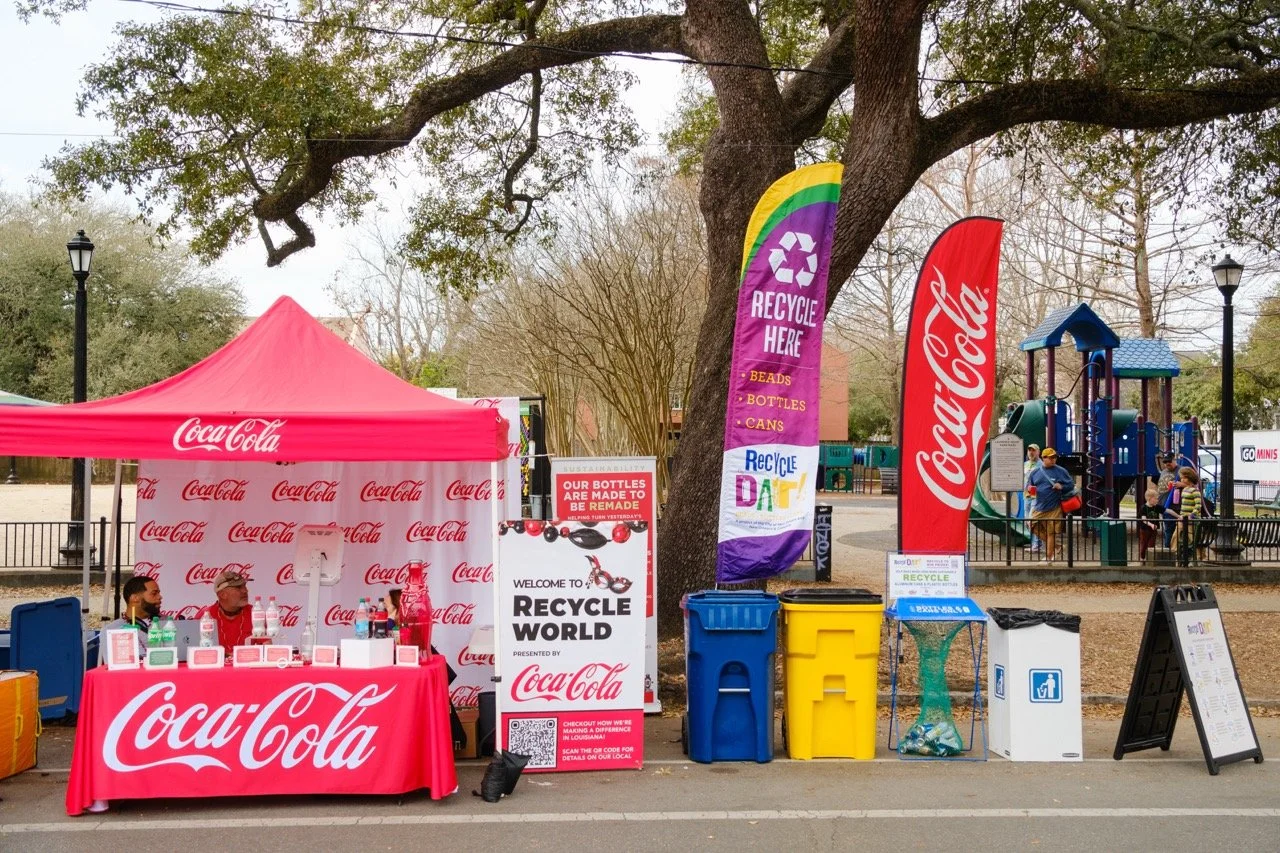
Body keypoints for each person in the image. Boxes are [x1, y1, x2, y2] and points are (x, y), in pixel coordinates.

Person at [1026, 447, 1075, 564]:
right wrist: (1029, 490)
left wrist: (1061, 486)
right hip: (1038, 506)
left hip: (1054, 507)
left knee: (1051, 532)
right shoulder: (1035, 472)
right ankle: (1057, 547)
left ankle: (1049, 558)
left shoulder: (1061, 471)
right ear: (1044, 458)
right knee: (1031, 526)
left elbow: (1071, 485)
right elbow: (1029, 486)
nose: (1053, 460)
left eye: (1055, 457)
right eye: (1050, 457)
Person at [100, 575, 163, 660]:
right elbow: (116, 669)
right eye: (154, 593)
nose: (160, 597)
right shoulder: (112, 630)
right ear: (135, 598)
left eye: (158, 593)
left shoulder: (167, 623)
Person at [201, 569, 253, 655]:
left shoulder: (256, 613)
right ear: (222, 594)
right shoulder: (205, 616)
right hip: (215, 667)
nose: (245, 590)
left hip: (247, 667)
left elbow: (265, 648)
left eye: (244, 586)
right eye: (238, 587)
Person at [1175, 467, 1203, 567]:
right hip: (1183, 519)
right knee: (1177, 538)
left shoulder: (1195, 491)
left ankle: (1189, 558)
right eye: (1181, 478)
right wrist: (1181, 515)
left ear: (1190, 478)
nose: (1182, 480)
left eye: (1184, 478)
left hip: (1191, 520)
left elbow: (1198, 505)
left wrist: (1192, 515)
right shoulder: (1185, 489)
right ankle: (1178, 555)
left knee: (1190, 540)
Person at [1022, 443, 1044, 552]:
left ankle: (1036, 544)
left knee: (1033, 519)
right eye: (1029, 450)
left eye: (1033, 450)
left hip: (1037, 496)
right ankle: (1034, 543)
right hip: (1026, 495)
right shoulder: (1025, 464)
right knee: (1027, 520)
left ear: (1038, 452)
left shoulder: (1041, 465)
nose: (1031, 452)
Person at [1156, 453, 1180, 546]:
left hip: (1174, 506)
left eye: (1169, 461)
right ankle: (1169, 550)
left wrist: (1181, 485)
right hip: (1163, 505)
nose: (1167, 464)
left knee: (1170, 530)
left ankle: (1168, 550)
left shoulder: (1181, 471)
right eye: (1165, 462)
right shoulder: (1163, 471)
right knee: (1167, 530)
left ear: (1174, 460)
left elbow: (1193, 484)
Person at [1137, 488, 1163, 561]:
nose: (1157, 500)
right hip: (1144, 529)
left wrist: (1178, 516)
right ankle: (1142, 558)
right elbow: (1144, 519)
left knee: (1151, 544)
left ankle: (1150, 559)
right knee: (1144, 544)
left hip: (1153, 529)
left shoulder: (1157, 507)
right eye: (1156, 499)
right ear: (1149, 498)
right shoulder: (1143, 508)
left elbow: (1167, 510)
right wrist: (1151, 525)